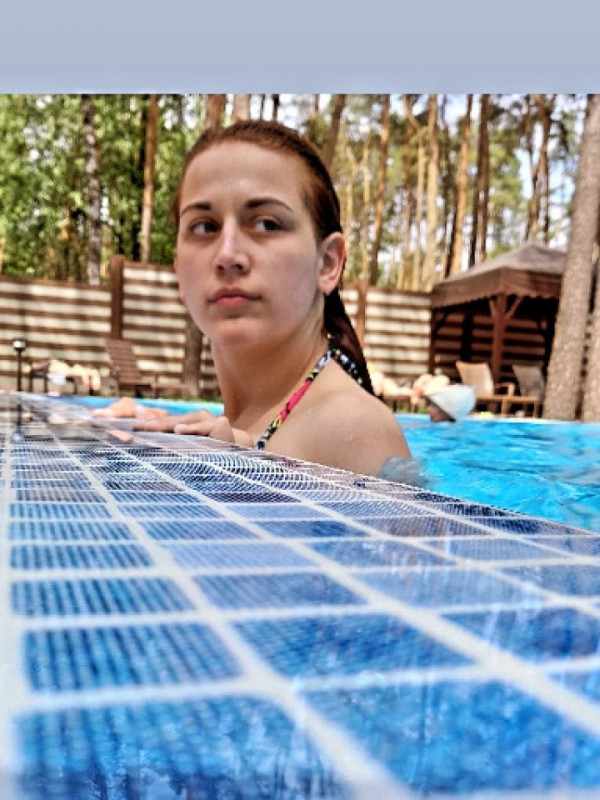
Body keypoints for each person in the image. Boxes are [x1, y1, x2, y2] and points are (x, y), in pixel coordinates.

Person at [124, 119, 410, 476]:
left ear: (327, 263)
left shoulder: (353, 428)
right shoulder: (252, 423)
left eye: (266, 224)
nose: (227, 255)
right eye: (204, 226)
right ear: (179, 272)